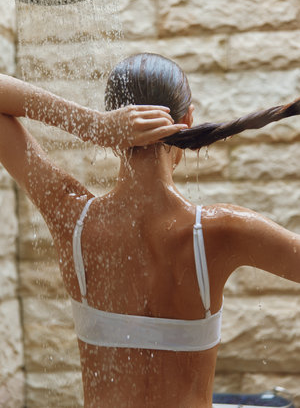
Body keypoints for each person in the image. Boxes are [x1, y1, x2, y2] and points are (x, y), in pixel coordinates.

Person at [0, 52, 299, 408]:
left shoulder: (72, 217)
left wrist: (91, 124)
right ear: (188, 121)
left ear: (115, 126)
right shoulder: (223, 231)